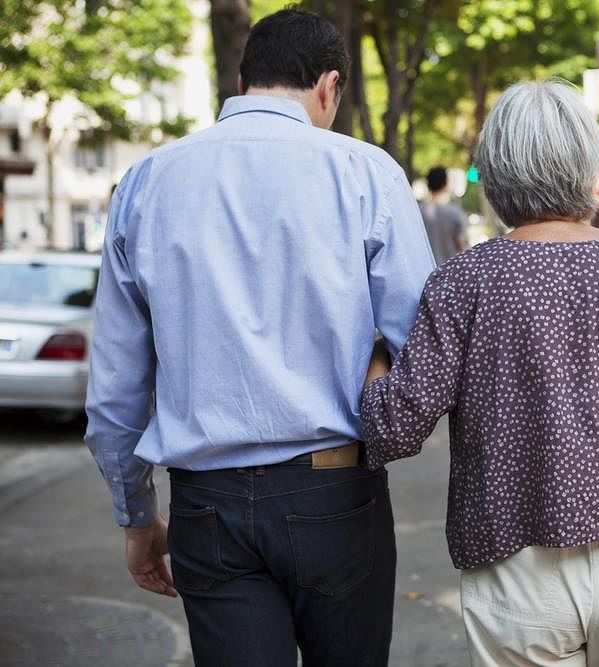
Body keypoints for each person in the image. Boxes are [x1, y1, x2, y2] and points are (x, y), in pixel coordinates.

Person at [84, 9, 434, 666]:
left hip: (204, 503)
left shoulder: (145, 182)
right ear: (329, 87)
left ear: (242, 82)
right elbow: (424, 340)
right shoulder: (366, 173)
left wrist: (137, 516)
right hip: (335, 488)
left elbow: (114, 387)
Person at [361, 81, 599, 666]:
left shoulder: (463, 281)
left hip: (514, 564)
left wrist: (379, 351)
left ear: (496, 171)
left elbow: (393, 428)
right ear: (587, 163)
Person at [419, 165, 469, 264]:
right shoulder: (455, 213)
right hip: (450, 272)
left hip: (424, 272)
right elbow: (463, 246)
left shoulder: (418, 212)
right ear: (445, 184)